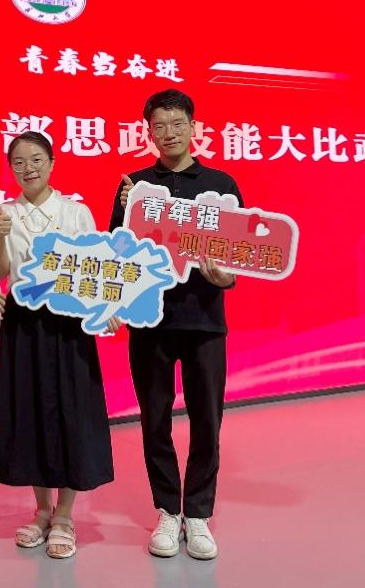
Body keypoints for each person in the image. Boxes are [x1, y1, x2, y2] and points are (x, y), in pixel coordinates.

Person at [108, 89, 242, 561]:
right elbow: (116, 253)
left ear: (193, 127)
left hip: (205, 322)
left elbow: (236, 257)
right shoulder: (136, 186)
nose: (169, 133)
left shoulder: (221, 185)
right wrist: (128, 211)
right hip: (150, 323)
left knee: (207, 420)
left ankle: (198, 513)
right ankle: (168, 509)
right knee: (154, 419)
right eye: (159, 126)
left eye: (177, 124)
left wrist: (225, 278)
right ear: (149, 132)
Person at [0, 131, 114, 560]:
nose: (29, 168)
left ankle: (65, 515)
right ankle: (41, 510)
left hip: (69, 323)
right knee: (30, 413)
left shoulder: (75, 211)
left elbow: (96, 268)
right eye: (19, 162)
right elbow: (0, 271)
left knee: (72, 413)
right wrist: (0, 236)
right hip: (23, 324)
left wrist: (108, 306)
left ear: (53, 162)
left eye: (37, 159)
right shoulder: (3, 213)